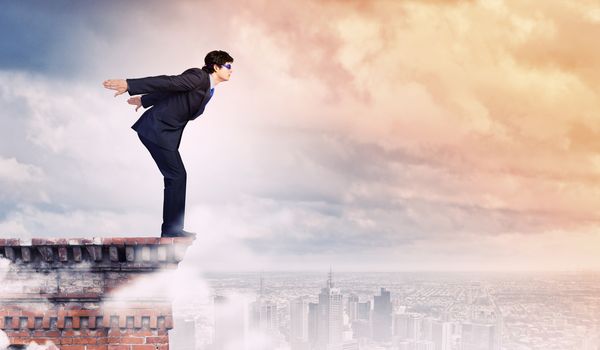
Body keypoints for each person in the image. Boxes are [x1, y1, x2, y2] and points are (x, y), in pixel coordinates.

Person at [103, 50, 234, 237]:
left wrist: (145, 99)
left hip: (164, 134)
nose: (231, 70)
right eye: (228, 66)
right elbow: (168, 82)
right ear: (216, 67)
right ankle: (172, 231)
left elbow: (172, 92)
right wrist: (130, 85)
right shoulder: (198, 77)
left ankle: (172, 230)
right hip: (156, 130)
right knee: (177, 176)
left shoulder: (208, 88)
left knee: (176, 176)